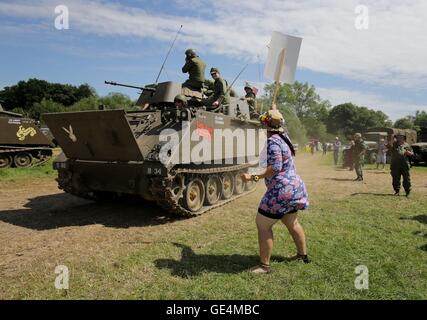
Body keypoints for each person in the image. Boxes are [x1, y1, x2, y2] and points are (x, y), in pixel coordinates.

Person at [241, 109, 310, 274]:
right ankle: (303, 255)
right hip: (295, 188)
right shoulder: (284, 137)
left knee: (262, 224)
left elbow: (275, 168)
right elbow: (277, 121)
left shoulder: (272, 141)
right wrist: (274, 111)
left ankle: (264, 266)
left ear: (265, 125)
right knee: (292, 222)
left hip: (281, 191)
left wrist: (253, 177)